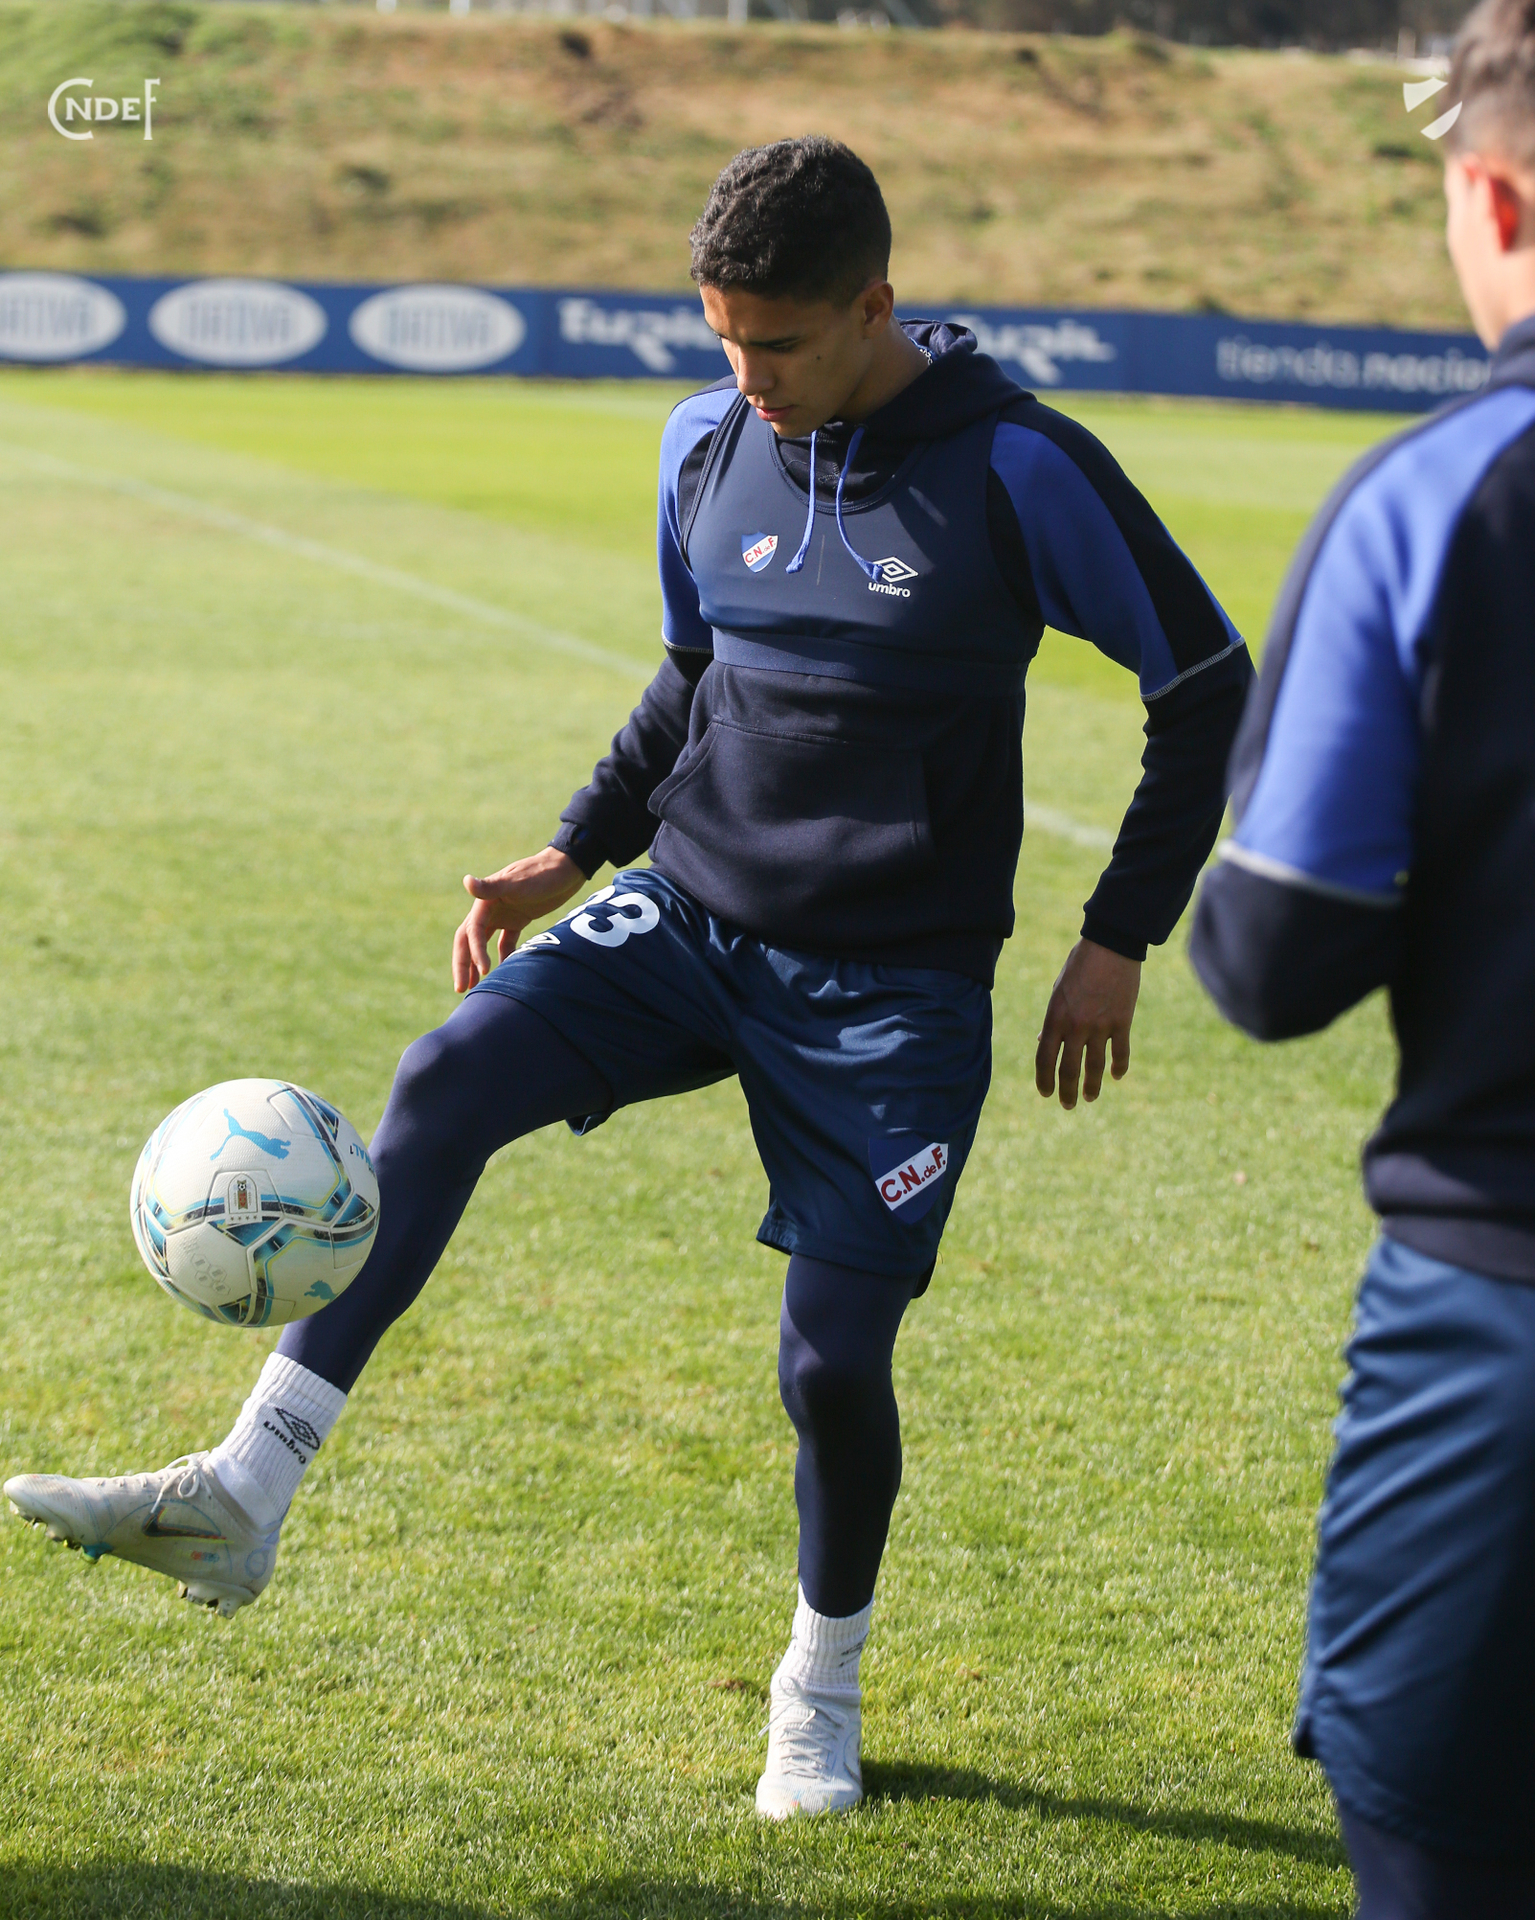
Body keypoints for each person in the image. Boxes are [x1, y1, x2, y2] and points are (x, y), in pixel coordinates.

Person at [8, 137, 1249, 1820]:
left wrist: (1117, 938)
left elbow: (1207, 683)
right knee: (445, 1078)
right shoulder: (704, 441)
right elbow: (692, 677)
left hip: (890, 986)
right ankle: (244, 1490)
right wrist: (573, 850)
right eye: (723, 341)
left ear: (876, 307)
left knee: (830, 1363)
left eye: (780, 346)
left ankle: (819, 1686)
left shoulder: (1022, 467)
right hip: (688, 912)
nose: (748, 380)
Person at [1190, 4, 1535, 1909]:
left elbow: (1272, 957)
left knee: (1441, 1852)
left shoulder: (1442, 491)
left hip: (1505, 1306)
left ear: (1492, 196)